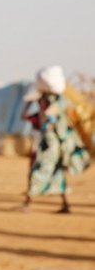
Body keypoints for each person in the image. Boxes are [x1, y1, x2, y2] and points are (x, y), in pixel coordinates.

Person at [21, 66, 91, 213]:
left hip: (51, 145)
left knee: (38, 171)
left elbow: (49, 120)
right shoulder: (48, 101)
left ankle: (28, 202)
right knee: (57, 173)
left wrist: (41, 112)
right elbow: (27, 116)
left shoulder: (55, 103)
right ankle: (65, 205)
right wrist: (31, 100)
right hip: (52, 143)